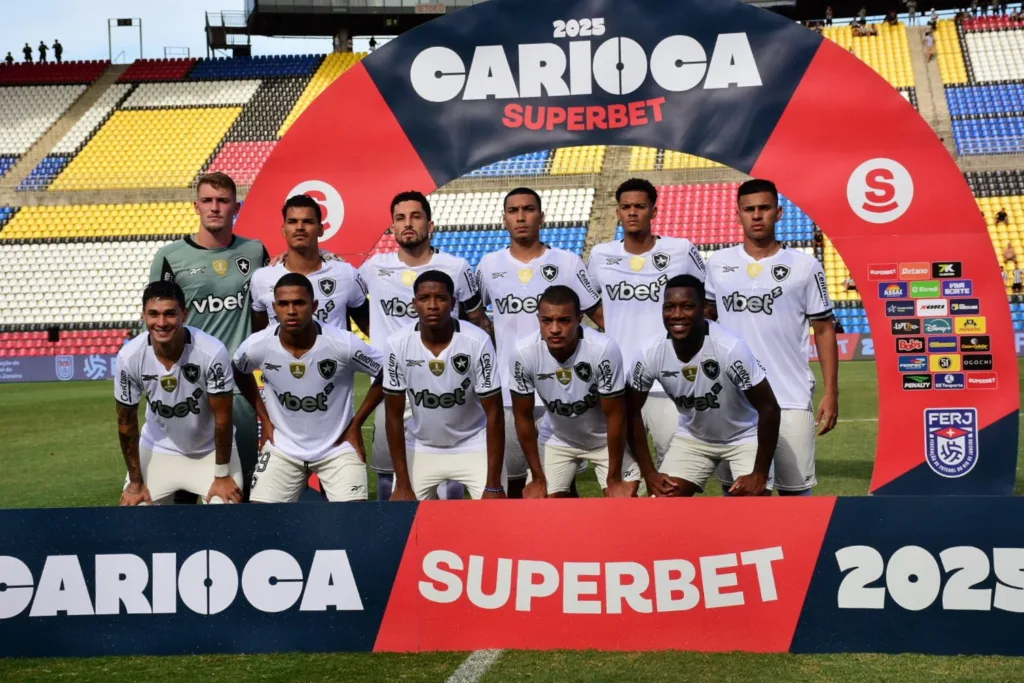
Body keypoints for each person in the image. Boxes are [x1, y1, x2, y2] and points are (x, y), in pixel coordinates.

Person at [705, 179, 838, 497]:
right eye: (749, 209)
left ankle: (801, 549)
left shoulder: (805, 266)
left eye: (764, 208)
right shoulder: (718, 265)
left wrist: (831, 392)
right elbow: (705, 321)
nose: (757, 215)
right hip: (735, 401)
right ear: (737, 215)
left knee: (795, 495)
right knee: (740, 497)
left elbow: (823, 329)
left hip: (789, 396)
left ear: (778, 213)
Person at [359, 191, 492, 500]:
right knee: (388, 477)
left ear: (430, 224)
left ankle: (452, 543)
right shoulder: (373, 268)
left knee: (451, 481)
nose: (408, 224)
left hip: (448, 385)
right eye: (400, 218)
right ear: (391, 227)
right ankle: (397, 540)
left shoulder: (456, 268)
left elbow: (476, 318)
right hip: (392, 387)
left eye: (416, 216)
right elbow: (348, 299)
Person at [150, 171, 269, 502]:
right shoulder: (170, 256)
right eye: (207, 201)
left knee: (237, 486)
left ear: (236, 207)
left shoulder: (256, 252)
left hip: (238, 386)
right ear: (196, 206)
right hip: (188, 386)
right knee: (181, 487)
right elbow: (157, 319)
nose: (214, 207)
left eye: (223, 201)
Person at [476, 187, 603, 498]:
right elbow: (476, 319)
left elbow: (598, 316)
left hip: (562, 388)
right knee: (517, 478)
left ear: (541, 216)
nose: (521, 217)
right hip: (508, 388)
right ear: (504, 218)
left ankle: (567, 543)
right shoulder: (489, 265)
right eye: (514, 210)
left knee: (561, 478)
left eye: (528, 209)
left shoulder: (568, 263)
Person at [232, 273, 385, 503]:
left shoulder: (343, 344)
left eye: (299, 303)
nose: (291, 310)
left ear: (313, 306)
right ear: (274, 307)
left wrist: (356, 424)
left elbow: (387, 372)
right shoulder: (257, 345)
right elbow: (239, 370)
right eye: (283, 304)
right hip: (283, 448)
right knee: (261, 522)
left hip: (337, 447)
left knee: (355, 523)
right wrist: (264, 417)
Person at [588, 178, 707, 471]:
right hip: (621, 380)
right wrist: (613, 325)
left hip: (671, 380)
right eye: (625, 207)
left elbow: (708, 300)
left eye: (640, 206)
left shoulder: (681, 250)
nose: (632, 212)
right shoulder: (601, 255)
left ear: (653, 212)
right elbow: (587, 301)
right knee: (628, 470)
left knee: (675, 466)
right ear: (617, 212)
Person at [626, 275, 780, 497]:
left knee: (751, 505)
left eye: (687, 307)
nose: (677, 315)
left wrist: (760, 473)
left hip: (745, 437)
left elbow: (769, 408)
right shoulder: (649, 353)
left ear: (704, 309)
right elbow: (630, 411)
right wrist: (649, 473)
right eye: (670, 307)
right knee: (664, 498)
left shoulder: (731, 349)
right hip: (693, 439)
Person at [115, 281, 243, 506]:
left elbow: (223, 418)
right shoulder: (129, 356)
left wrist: (222, 474)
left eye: (170, 314)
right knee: (136, 512)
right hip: (158, 450)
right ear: (143, 315)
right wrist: (135, 482)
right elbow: (126, 423)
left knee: (226, 509)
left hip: (210, 452)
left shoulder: (211, 351)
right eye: (153, 314)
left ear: (184, 314)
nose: (161, 323)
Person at [383, 271, 505, 501]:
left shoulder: (478, 341)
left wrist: (494, 484)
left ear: (453, 303)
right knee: (401, 521)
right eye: (424, 298)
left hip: (474, 444)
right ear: (414, 304)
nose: (432, 305)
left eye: (440, 298)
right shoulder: (396, 344)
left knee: (496, 518)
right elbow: (393, 415)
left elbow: (495, 412)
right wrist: (402, 483)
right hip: (420, 446)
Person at [510, 285, 639, 498]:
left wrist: (614, 478)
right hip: (558, 438)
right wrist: (537, 476)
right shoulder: (523, 353)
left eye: (564, 320)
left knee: (623, 501)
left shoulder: (603, 349)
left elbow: (616, 415)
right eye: (547, 320)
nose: (554, 329)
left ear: (579, 319)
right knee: (541, 504)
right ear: (538, 319)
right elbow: (522, 417)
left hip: (604, 440)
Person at [251, 194, 369, 334]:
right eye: (293, 221)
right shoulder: (262, 278)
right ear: (283, 229)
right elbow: (256, 333)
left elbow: (369, 327)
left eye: (308, 221)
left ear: (321, 229)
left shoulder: (346, 274)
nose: (300, 227)